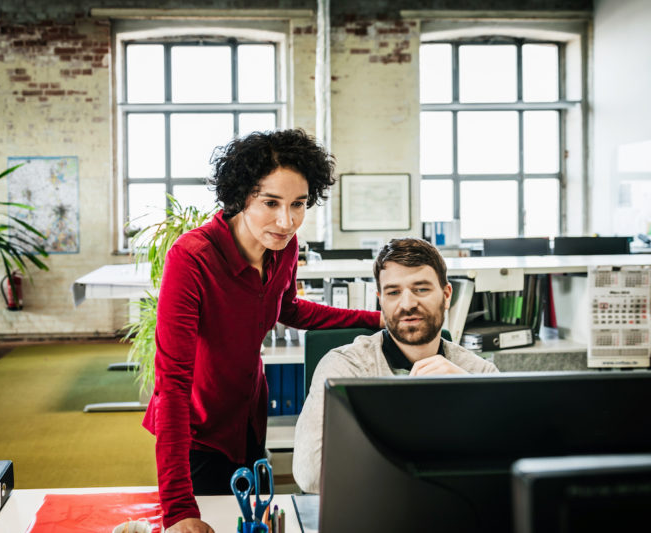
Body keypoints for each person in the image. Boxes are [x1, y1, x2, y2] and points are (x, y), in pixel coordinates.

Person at [142, 129, 385, 533]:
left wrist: (373, 319)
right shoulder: (191, 259)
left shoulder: (283, 246)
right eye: (270, 203)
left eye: (298, 204)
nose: (286, 220)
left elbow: (288, 308)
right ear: (241, 196)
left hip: (250, 416)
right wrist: (179, 508)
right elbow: (173, 385)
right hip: (199, 430)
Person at [292, 237, 499, 494]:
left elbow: (509, 464)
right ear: (381, 300)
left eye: (421, 289)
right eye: (393, 292)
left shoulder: (479, 374)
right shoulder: (343, 368)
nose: (407, 303)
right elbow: (310, 473)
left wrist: (468, 393)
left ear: (446, 296)